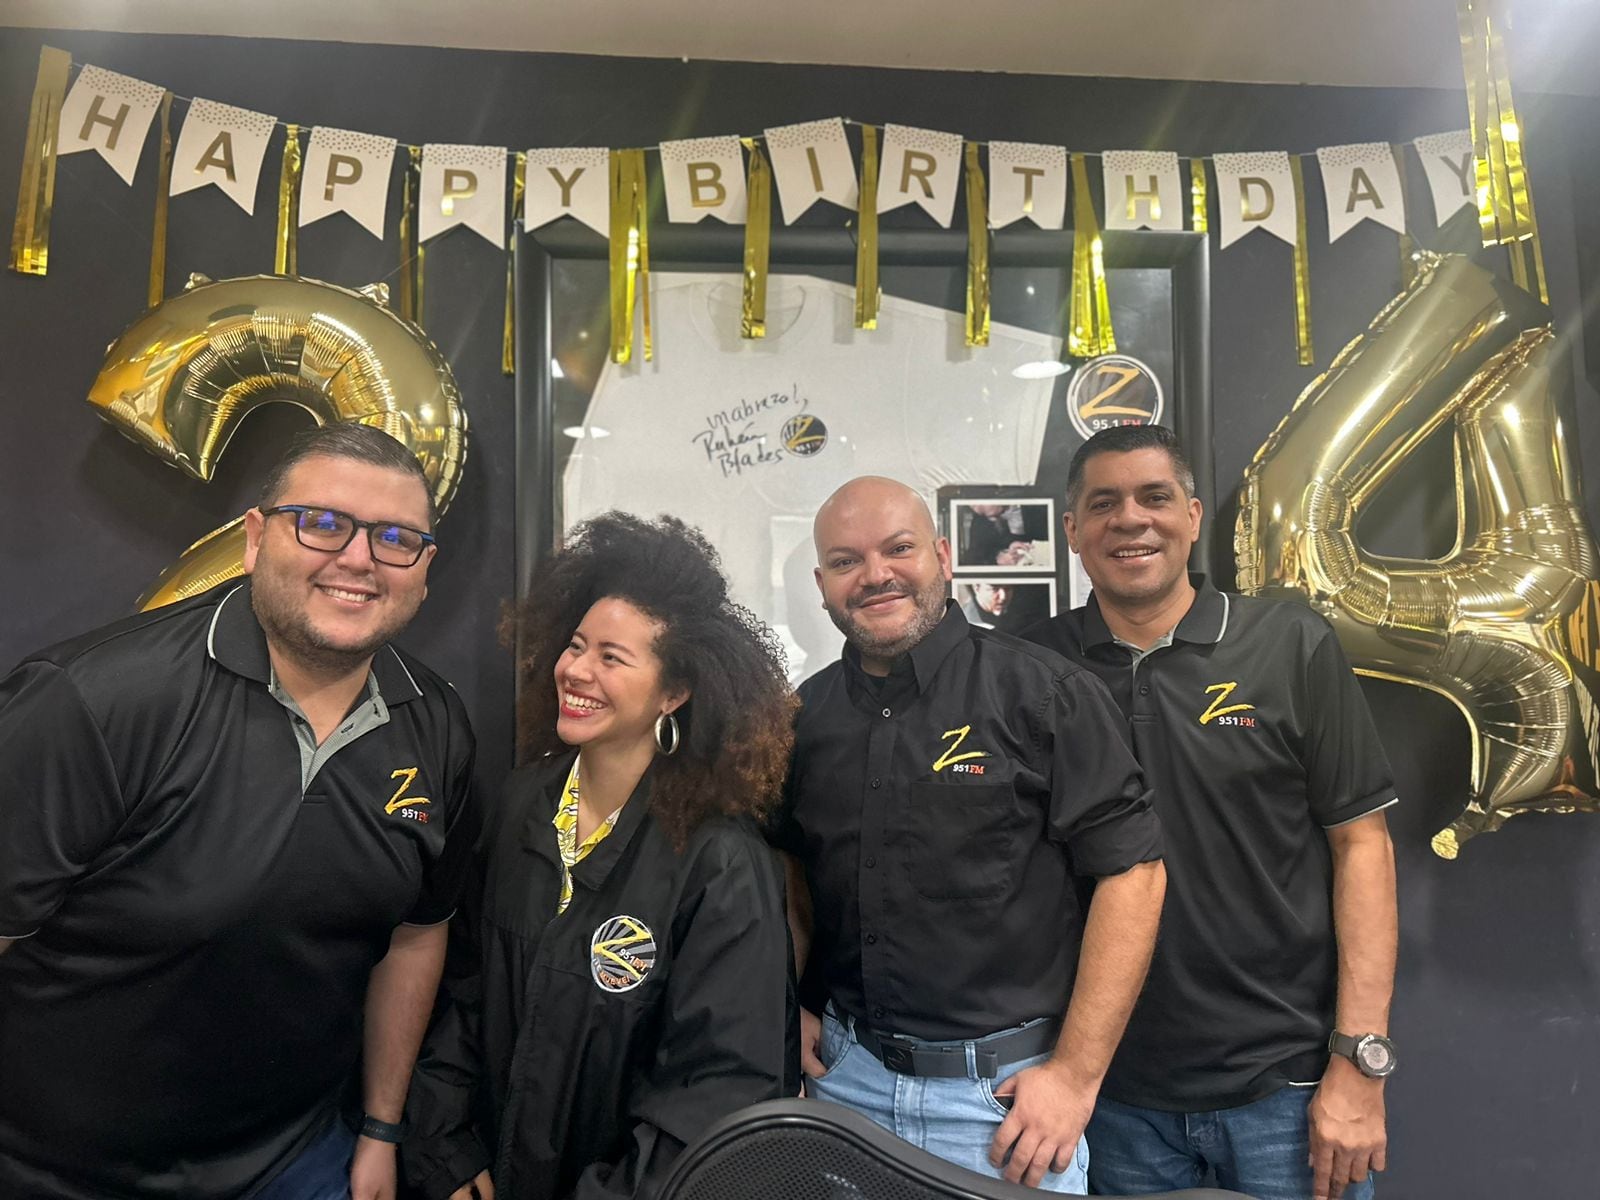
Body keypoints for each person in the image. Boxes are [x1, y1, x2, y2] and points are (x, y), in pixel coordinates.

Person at [0, 424, 477, 1200]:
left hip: (296, 1161)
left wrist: (382, 1130)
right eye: (322, 523)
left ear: (424, 572)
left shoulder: (439, 725)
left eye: (396, 539)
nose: (359, 558)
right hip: (59, 1172)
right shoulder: (91, 700)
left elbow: (417, 933)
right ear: (255, 539)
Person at [1022, 425, 1398, 1200]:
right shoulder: (1031, 668)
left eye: (1154, 497)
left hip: (1287, 1088)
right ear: (1073, 530)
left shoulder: (1289, 644)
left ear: (1193, 517)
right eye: (1104, 503)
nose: (1131, 519)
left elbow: (1362, 846)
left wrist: (1360, 1063)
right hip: (1109, 1096)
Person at [774, 475, 1166, 1193]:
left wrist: (1076, 1078)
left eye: (899, 549)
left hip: (1001, 1110)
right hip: (843, 1088)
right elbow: (795, 874)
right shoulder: (805, 718)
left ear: (944, 557)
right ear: (823, 585)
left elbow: (1134, 875)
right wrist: (787, 1003)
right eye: (846, 561)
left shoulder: (1042, 693)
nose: (875, 575)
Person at [403, 513, 798, 1200]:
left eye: (612, 658)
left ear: (674, 692)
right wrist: (446, 1151)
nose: (576, 671)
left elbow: (717, 1094)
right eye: (576, 645)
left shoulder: (721, 864)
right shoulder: (519, 805)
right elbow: (462, 992)